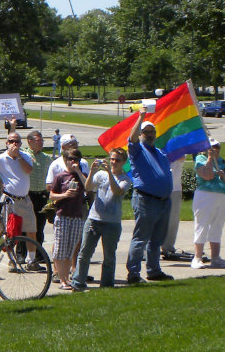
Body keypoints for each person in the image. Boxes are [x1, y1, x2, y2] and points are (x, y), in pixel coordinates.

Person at [72, 148, 130, 290]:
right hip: (94, 219)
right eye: (112, 159)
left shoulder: (125, 179)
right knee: (84, 253)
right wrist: (92, 171)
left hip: (112, 223)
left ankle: (107, 285)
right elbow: (88, 187)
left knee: (109, 257)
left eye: (117, 160)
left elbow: (117, 191)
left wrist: (110, 173)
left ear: (124, 162)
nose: (113, 162)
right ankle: (78, 283)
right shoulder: (100, 174)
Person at [125, 119, 175, 283]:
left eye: (152, 131)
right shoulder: (137, 150)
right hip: (146, 200)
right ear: (140, 134)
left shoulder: (160, 153)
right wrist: (141, 116)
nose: (149, 134)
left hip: (164, 201)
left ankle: (154, 270)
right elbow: (131, 139)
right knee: (141, 238)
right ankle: (133, 273)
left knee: (156, 240)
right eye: (145, 131)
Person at [0, 131, 41, 266]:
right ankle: (11, 259)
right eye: (12, 141)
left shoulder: (25, 156)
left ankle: (31, 260)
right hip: (9, 200)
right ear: (7, 143)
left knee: (31, 230)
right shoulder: (0, 159)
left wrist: (18, 156)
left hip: (24, 199)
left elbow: (28, 170)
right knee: (9, 231)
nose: (15, 144)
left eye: (17, 141)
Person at [49, 148, 89, 290]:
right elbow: (52, 195)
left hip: (77, 216)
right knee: (61, 249)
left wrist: (78, 172)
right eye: (71, 159)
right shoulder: (60, 176)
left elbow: (88, 187)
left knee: (71, 249)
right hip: (63, 215)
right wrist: (65, 195)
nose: (73, 162)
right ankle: (63, 280)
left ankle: (67, 279)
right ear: (65, 159)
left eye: (76, 159)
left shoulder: (81, 175)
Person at [191, 140, 225, 269]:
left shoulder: (222, 162)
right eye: (212, 147)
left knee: (217, 226)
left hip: (221, 194)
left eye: (217, 147)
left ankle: (216, 257)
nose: (215, 150)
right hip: (205, 195)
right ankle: (197, 257)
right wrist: (209, 159)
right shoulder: (200, 159)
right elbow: (207, 176)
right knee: (202, 225)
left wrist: (223, 175)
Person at [24, 130, 54, 250]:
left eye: (42, 140)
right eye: (38, 140)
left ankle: (38, 254)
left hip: (41, 196)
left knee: (39, 226)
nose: (41, 143)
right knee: (25, 226)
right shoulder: (23, 155)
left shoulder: (46, 158)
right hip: (27, 195)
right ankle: (22, 254)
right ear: (30, 141)